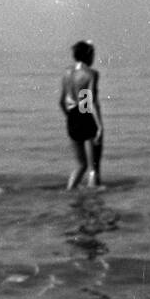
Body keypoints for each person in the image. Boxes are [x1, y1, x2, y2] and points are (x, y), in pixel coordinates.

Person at [59, 40, 103, 190]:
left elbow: (61, 102)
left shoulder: (67, 73)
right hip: (84, 113)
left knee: (80, 164)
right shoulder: (91, 74)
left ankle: (69, 191)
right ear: (88, 55)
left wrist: (71, 117)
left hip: (71, 116)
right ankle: (94, 199)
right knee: (92, 167)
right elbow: (90, 101)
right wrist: (100, 126)